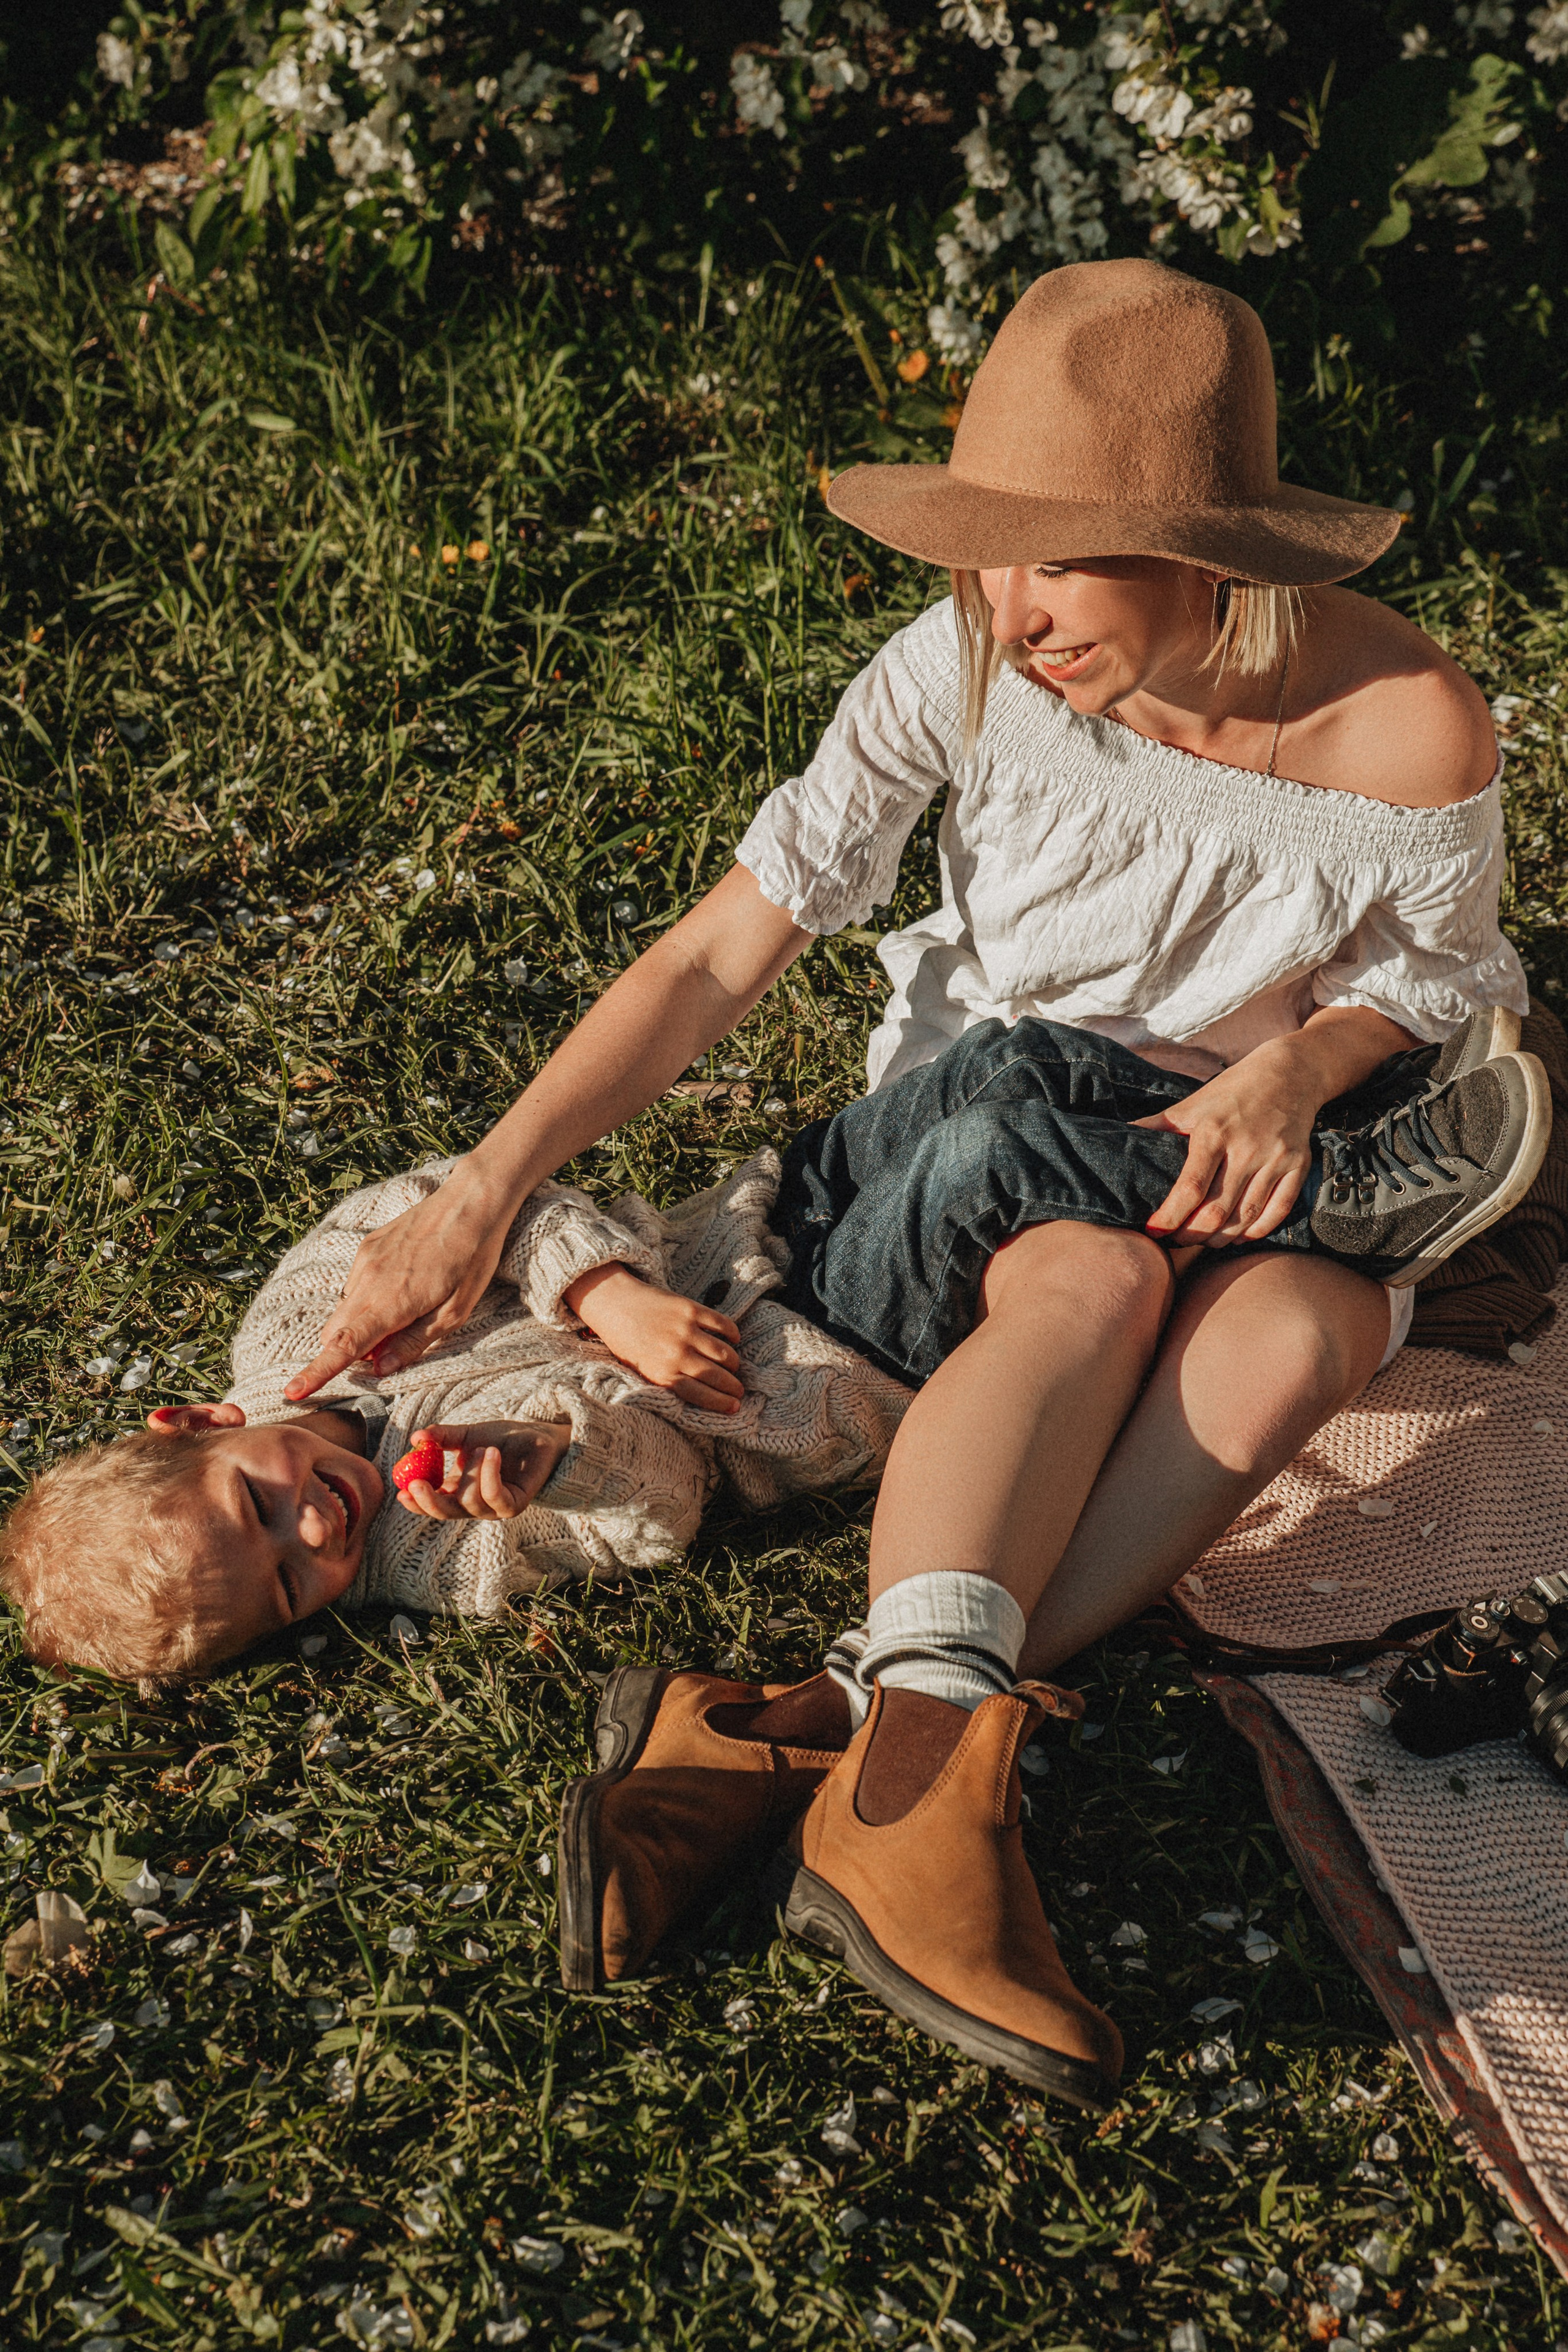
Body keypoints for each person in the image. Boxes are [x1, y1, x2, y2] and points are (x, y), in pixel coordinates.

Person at [284, 259, 1534, 2111]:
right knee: (1096, 1277)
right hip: (997, 1138)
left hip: (1237, 1137)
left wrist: (1298, 1067)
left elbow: (1429, 979)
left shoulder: (1413, 721)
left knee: (1312, 1336)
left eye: (1063, 563)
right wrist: (487, 1187)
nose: (1012, 612)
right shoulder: (956, 669)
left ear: (1211, 553)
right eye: (985, 557)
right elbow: (719, 953)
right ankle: (929, 1799)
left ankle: (824, 1731)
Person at [0, 1155, 909, 1691]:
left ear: (198, 1423)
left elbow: (467, 1200)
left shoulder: (300, 1325)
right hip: (830, 1361)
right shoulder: (438, 1554)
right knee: (980, 1159)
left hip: (759, 1215)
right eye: (287, 1585)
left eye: (258, 1503)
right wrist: (560, 1458)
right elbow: (668, 1506)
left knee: (979, 1076)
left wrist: (603, 1292)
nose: (313, 1531)